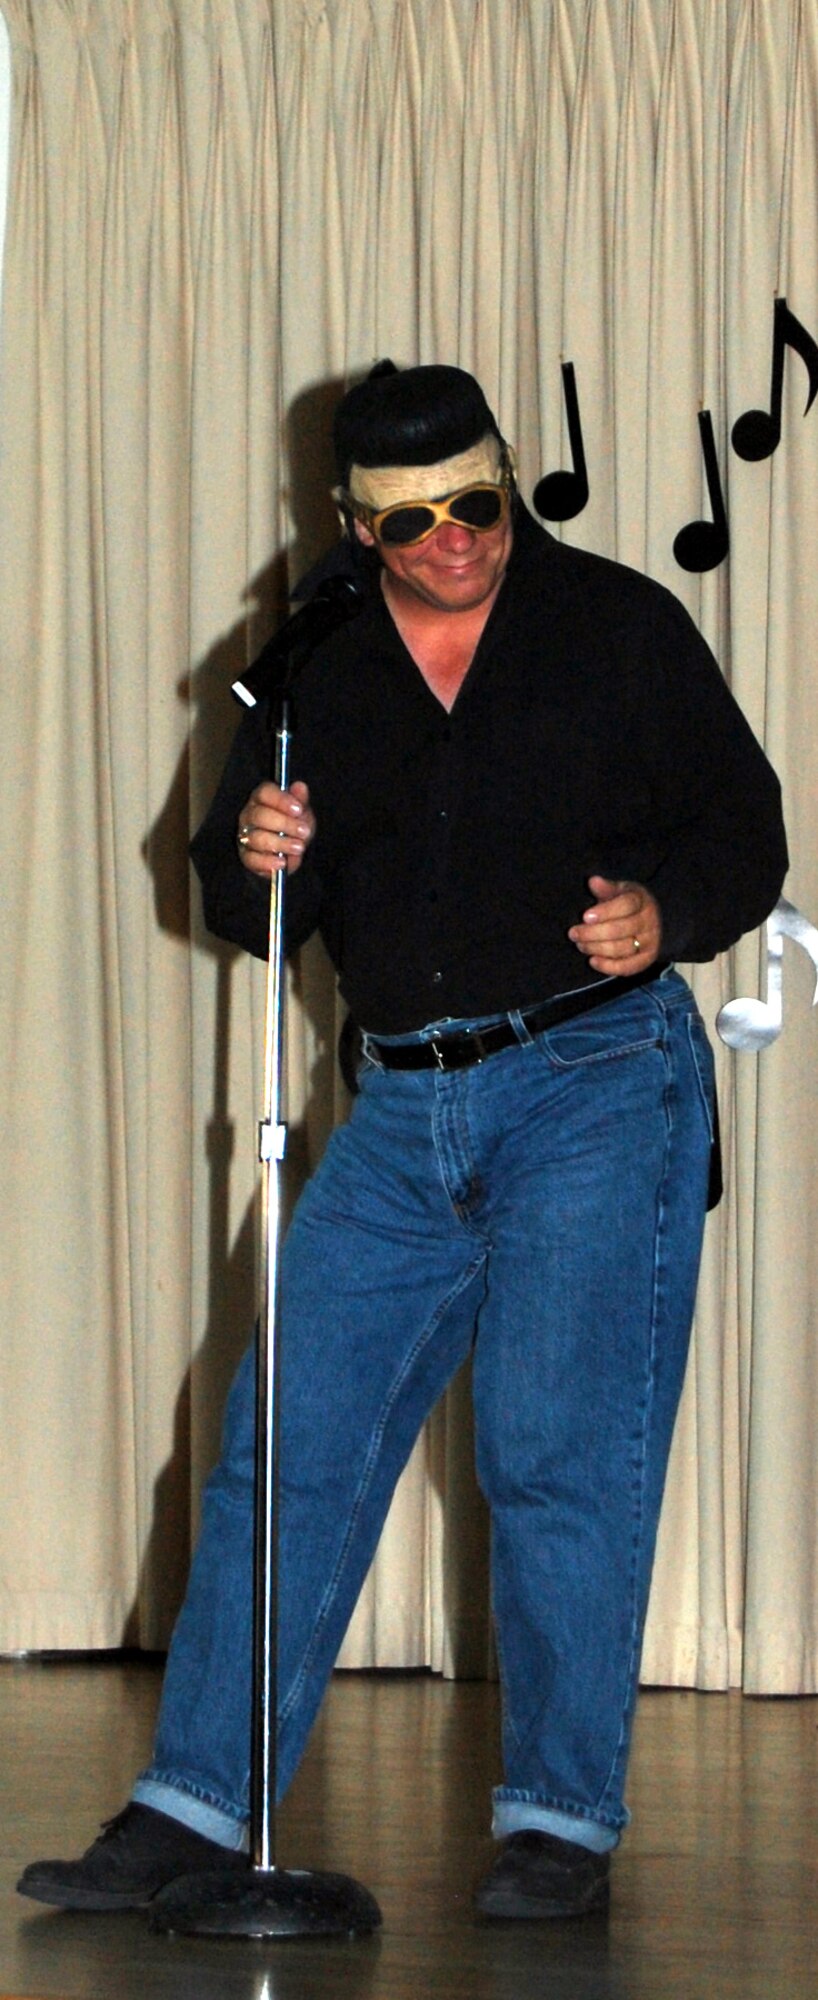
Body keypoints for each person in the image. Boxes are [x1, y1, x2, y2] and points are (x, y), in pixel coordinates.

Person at [19, 362, 788, 1923]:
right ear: (354, 522)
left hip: (592, 1078)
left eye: (480, 506)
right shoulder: (309, 662)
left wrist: (672, 915)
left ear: (508, 484)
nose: (457, 542)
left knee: (552, 1452)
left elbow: (744, 825)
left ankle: (558, 1817)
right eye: (416, 520)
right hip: (399, 1106)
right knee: (283, 1446)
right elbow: (239, 895)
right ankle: (191, 1806)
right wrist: (252, 855)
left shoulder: (618, 626)